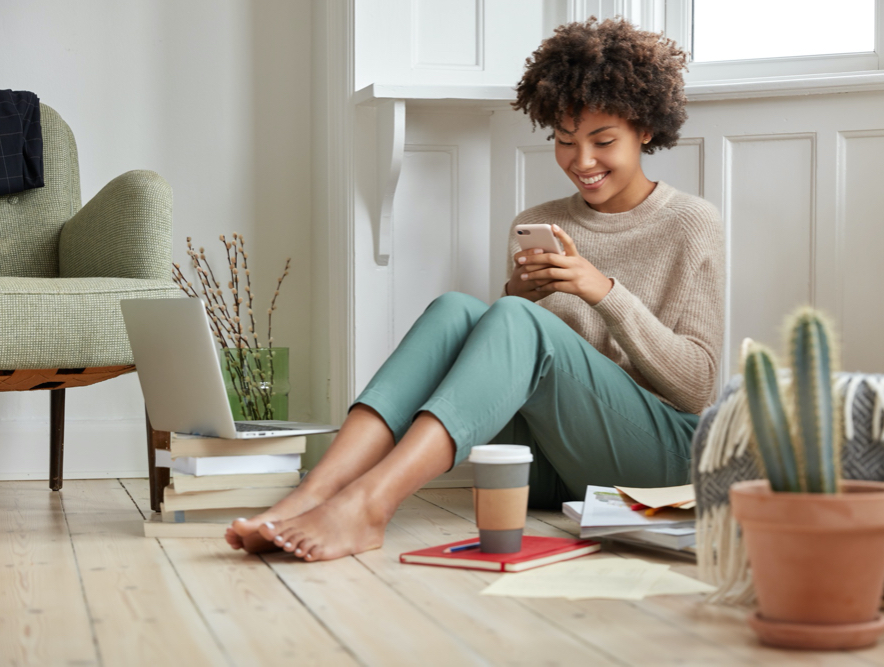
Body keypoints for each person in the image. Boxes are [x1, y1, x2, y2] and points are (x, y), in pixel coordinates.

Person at [226, 17, 725, 562]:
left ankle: (370, 503)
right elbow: (513, 369)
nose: (582, 161)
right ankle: (313, 494)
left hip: (659, 464)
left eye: (603, 141)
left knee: (514, 319)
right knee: (455, 310)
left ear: (645, 129)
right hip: (552, 469)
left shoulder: (691, 223)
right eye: (564, 141)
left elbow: (696, 387)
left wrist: (603, 292)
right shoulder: (537, 221)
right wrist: (518, 295)